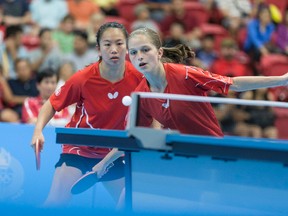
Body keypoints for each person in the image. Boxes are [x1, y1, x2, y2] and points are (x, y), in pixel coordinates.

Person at [30, 22, 143, 208]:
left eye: (119, 43)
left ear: (127, 46)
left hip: (113, 153)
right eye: (107, 44)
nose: (114, 49)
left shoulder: (139, 77)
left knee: (129, 205)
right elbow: (51, 103)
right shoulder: (83, 78)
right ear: (98, 49)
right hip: (79, 149)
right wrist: (37, 131)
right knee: (57, 202)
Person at [126, 27, 288, 136]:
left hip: (209, 151)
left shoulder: (186, 74)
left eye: (145, 50)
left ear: (159, 52)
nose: (139, 56)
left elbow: (234, 83)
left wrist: (281, 80)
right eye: (133, 52)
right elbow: (134, 135)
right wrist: (103, 164)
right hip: (177, 157)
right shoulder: (141, 95)